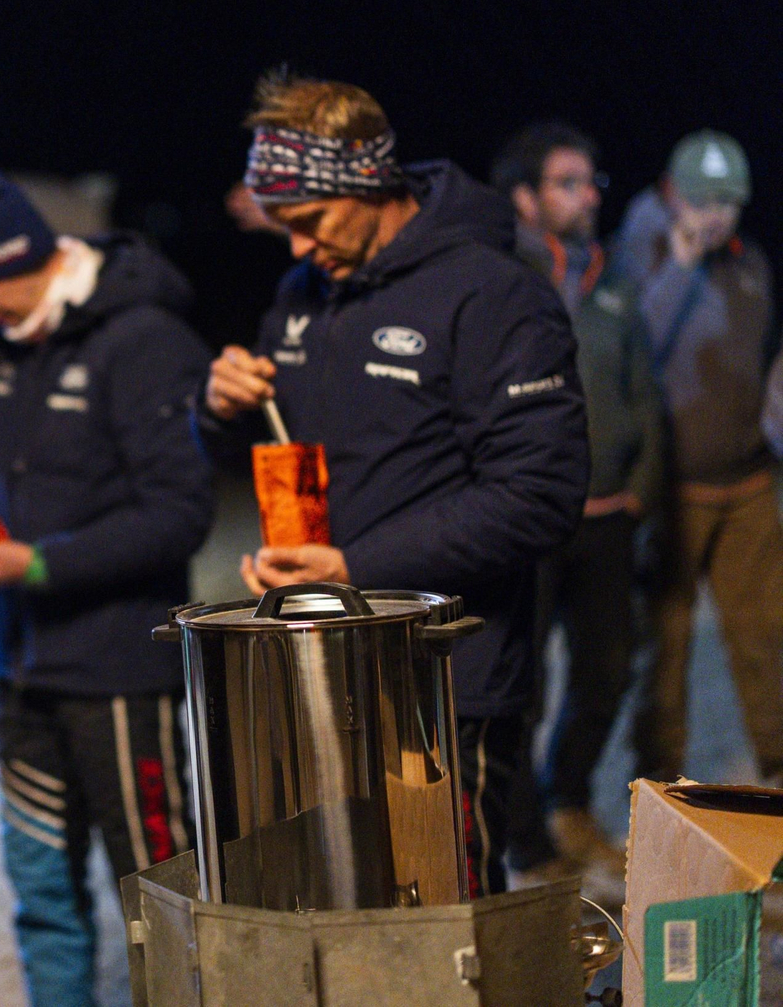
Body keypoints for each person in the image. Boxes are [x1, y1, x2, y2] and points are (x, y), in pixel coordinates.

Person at [194, 74, 590, 896]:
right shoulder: (304, 293)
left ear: (367, 182)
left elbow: (540, 494)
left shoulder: (494, 292)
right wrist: (223, 410)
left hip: (446, 681)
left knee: (436, 925)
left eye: (308, 221)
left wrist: (354, 568)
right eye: (283, 227)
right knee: (333, 915)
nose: (297, 248)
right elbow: (273, 453)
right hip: (316, 666)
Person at [0, 166, 213, 1006]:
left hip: (120, 680)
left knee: (160, 903)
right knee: (42, 897)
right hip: (21, 675)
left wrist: (38, 563)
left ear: (22, 254)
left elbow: (181, 515)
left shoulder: (143, 340)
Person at [491, 122, 663, 882]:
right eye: (569, 181)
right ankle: (525, 837)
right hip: (529, 524)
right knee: (517, 687)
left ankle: (569, 799)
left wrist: (642, 492)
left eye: (591, 181)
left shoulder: (615, 277)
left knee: (607, 673)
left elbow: (645, 393)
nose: (589, 194)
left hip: (606, 518)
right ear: (525, 196)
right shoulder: (497, 276)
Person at [611, 129, 783, 787]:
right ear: (670, 195)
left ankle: (778, 772)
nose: (715, 214)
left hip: (747, 486)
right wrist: (677, 271)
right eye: (702, 200)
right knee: (667, 649)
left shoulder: (749, 263)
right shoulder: (636, 257)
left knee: (764, 638)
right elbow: (631, 352)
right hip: (672, 494)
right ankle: (658, 789)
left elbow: (760, 358)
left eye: (728, 201)